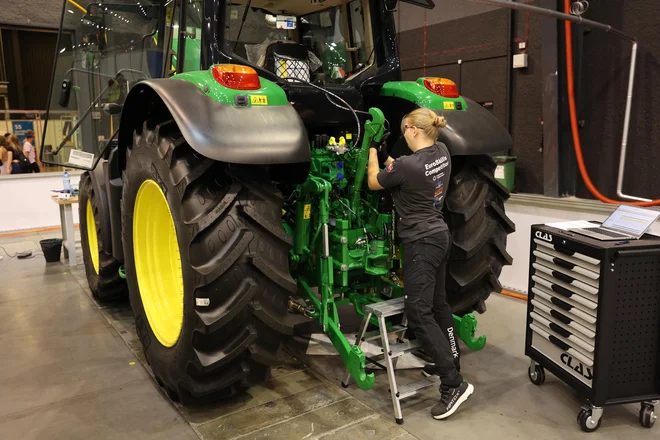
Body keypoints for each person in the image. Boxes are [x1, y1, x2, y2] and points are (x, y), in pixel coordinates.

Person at [367, 108, 473, 420]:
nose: (404, 136)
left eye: (404, 131)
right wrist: (389, 159)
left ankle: (453, 384)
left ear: (413, 129)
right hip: (440, 236)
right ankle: (450, 362)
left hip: (421, 244)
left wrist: (373, 149)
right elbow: (401, 171)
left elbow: (375, 181)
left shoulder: (408, 165)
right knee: (439, 306)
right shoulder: (441, 152)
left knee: (419, 311)